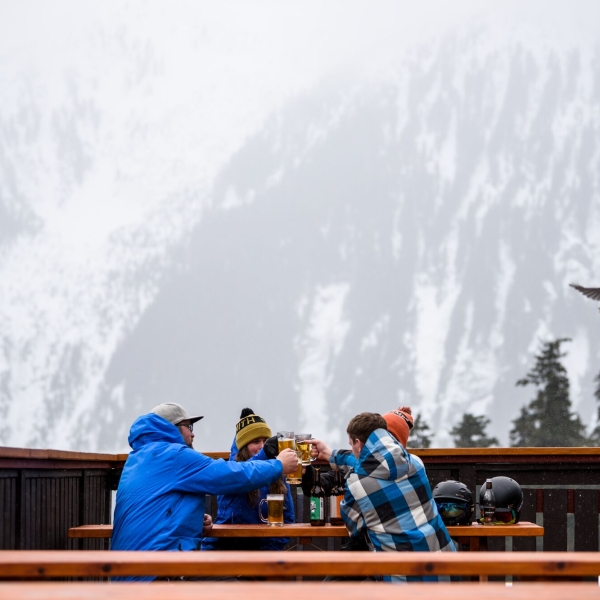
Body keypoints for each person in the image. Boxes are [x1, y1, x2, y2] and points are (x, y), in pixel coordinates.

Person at [111, 402, 297, 581]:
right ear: (174, 428)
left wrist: (192, 520)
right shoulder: (175, 456)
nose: (193, 435)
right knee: (239, 592)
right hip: (156, 573)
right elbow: (230, 476)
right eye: (189, 427)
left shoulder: (137, 459)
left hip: (124, 572)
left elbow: (155, 507)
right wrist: (278, 465)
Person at [309, 411, 455, 582]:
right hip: (444, 569)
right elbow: (378, 463)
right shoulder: (415, 463)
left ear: (358, 443)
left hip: (403, 579)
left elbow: (354, 528)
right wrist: (329, 453)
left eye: (351, 445)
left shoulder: (357, 485)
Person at [202, 408, 295, 551]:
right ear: (244, 447)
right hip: (224, 550)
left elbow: (288, 520)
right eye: (256, 441)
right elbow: (245, 474)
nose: (262, 446)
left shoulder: (278, 473)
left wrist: (268, 555)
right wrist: (265, 455)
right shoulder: (230, 471)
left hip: (263, 553)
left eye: (266, 441)